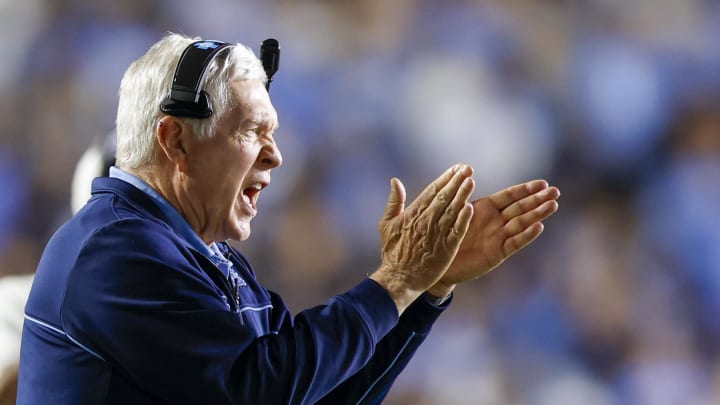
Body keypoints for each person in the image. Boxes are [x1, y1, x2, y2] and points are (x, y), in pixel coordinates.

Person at [17, 33, 560, 404]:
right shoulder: (112, 251)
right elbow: (262, 393)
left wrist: (424, 290)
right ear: (175, 139)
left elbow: (315, 393)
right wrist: (396, 282)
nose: (276, 155)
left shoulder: (206, 257)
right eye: (253, 131)